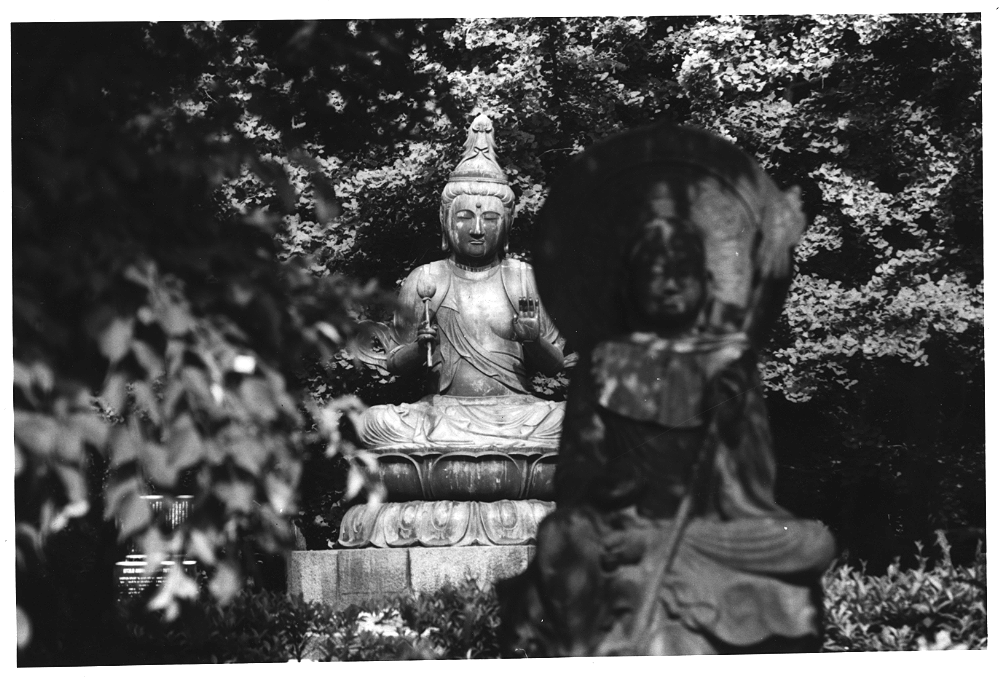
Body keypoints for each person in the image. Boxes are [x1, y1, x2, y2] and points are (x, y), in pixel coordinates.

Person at [499, 123, 836, 656]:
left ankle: (659, 563)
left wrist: (731, 425)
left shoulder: (730, 365)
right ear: (629, 281)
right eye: (656, 270)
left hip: (707, 534)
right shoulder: (603, 365)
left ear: (708, 279)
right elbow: (577, 482)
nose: (671, 281)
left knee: (808, 541)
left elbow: (748, 495)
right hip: (622, 526)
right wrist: (617, 490)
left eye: (684, 269)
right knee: (564, 537)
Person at [355, 114, 566, 454]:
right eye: (465, 217)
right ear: (446, 221)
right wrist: (419, 346)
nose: (478, 229)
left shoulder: (525, 278)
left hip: (516, 413)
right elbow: (395, 363)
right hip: (443, 414)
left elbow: (555, 365)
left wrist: (533, 339)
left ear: (507, 226)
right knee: (375, 422)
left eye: (491, 218)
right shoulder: (426, 278)